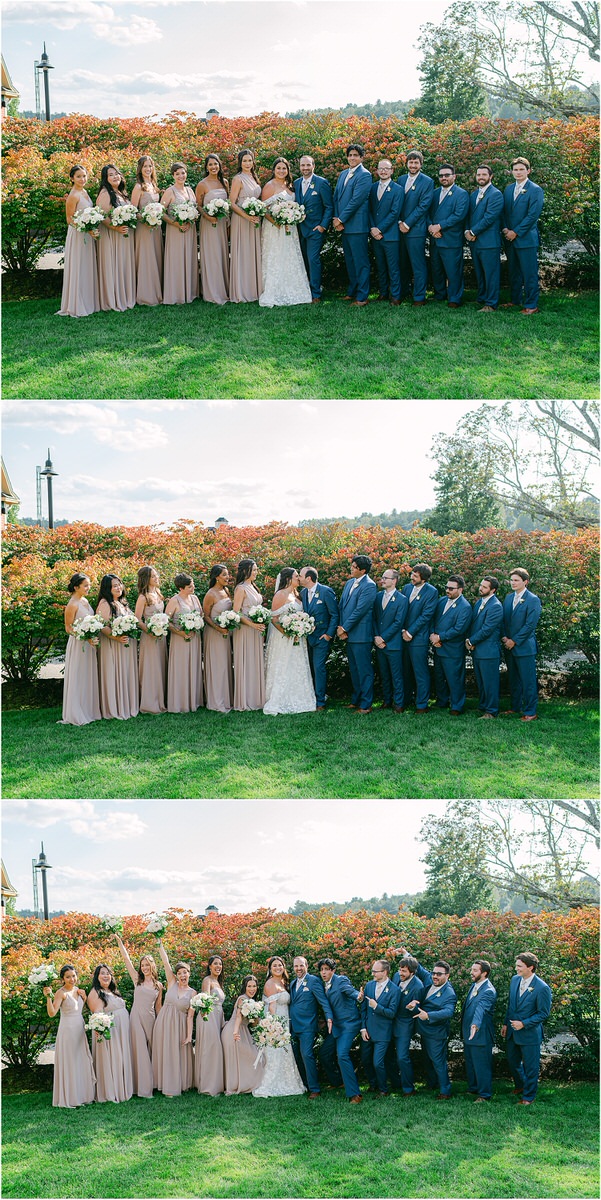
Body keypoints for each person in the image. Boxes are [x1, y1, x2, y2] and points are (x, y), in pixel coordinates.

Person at [114, 933, 163, 1098]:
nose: (144, 968)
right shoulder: (137, 980)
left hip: (151, 1019)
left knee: (151, 1052)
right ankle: (143, 1089)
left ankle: (154, 1083)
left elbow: (158, 1007)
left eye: (147, 965)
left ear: (152, 966)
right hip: (135, 1018)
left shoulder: (159, 985)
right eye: (142, 965)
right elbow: (127, 960)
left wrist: (161, 1023)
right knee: (140, 1051)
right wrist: (120, 942)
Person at [259, 157, 311, 307]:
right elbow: (264, 209)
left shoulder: (291, 185)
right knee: (276, 255)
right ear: (274, 170)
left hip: (290, 228)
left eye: (284, 168)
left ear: (288, 170)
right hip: (274, 228)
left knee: (290, 256)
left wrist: (292, 218)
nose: (281, 171)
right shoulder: (269, 186)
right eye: (278, 168)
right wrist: (278, 223)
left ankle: (294, 288)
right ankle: (275, 290)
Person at [501, 952, 552, 1105]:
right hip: (512, 1031)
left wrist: (524, 1023)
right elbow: (511, 1005)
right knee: (512, 1061)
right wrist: (505, 1023)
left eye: (519, 966)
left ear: (531, 967)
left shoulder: (542, 988)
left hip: (529, 1034)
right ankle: (521, 1086)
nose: (516, 969)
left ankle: (528, 1097)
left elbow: (543, 1013)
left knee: (531, 1067)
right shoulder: (515, 980)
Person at [264, 567, 315, 715]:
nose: (298, 578)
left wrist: (301, 629)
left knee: (297, 666)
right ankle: (280, 698)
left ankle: (300, 697)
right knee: (284, 666)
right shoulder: (280, 595)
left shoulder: (297, 594)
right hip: (284, 638)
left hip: (298, 638)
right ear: (287, 579)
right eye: (296, 576)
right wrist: (288, 633)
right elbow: (274, 619)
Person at [252, 956, 305, 1097]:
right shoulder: (270, 984)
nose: (277, 968)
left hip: (285, 1022)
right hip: (276, 1025)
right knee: (276, 1054)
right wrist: (275, 1028)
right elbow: (271, 1008)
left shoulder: (283, 982)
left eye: (280, 965)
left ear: (284, 967)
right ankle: (271, 1084)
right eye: (274, 966)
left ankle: (288, 1082)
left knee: (285, 1054)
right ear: (270, 969)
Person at [43, 965, 96, 1108]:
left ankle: (83, 1095)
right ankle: (71, 1097)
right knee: (70, 1061)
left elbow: (83, 1010)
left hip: (79, 1029)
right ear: (62, 979)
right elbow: (52, 1013)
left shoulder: (79, 990)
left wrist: (84, 998)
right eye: (68, 977)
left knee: (81, 1060)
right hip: (67, 1031)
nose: (71, 979)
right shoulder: (61, 993)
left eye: (73, 976)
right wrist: (48, 997)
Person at [406, 959, 457, 1099]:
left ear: (447, 976)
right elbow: (419, 969)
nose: (435, 976)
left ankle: (445, 1091)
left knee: (438, 1062)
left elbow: (448, 1012)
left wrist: (428, 1015)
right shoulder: (431, 980)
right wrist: (405, 954)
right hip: (424, 1031)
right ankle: (432, 1083)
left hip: (436, 1033)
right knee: (427, 1059)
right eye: (434, 973)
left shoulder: (449, 993)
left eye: (439, 974)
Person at [153, 941, 196, 1096]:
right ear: (176, 975)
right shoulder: (171, 983)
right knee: (165, 1052)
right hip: (164, 1023)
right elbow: (165, 962)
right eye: (179, 973)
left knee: (176, 1054)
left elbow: (190, 1016)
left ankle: (179, 1084)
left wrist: (189, 1036)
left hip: (180, 1026)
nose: (182, 975)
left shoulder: (193, 993)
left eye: (185, 972)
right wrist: (159, 942)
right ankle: (164, 1083)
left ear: (189, 974)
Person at [501, 157, 544, 314]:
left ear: (528, 171)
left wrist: (516, 232)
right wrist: (505, 229)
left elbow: (532, 216)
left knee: (529, 273)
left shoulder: (535, 190)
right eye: (515, 170)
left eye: (521, 169)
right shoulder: (508, 189)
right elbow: (504, 212)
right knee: (514, 272)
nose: (518, 172)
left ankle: (532, 305)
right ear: (512, 171)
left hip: (526, 239)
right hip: (509, 238)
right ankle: (515, 300)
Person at [317, 958, 363, 1103]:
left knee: (342, 1055)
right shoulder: (325, 985)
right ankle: (338, 1081)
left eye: (326, 969)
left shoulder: (341, 980)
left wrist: (358, 996)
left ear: (333, 970)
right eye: (321, 970)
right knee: (324, 1053)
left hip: (349, 1025)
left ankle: (355, 1094)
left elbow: (350, 992)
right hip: (336, 1026)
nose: (323, 972)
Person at [332, 143, 373, 306]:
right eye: (350, 155)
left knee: (360, 261)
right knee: (350, 260)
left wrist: (341, 219)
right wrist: (336, 218)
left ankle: (362, 297)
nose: (352, 158)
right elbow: (336, 197)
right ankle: (352, 291)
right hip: (343, 225)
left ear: (361, 158)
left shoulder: (365, 175)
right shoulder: (343, 174)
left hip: (357, 226)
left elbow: (357, 200)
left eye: (356, 155)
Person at [57, 164, 100, 318]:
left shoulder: (85, 192)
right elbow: (69, 219)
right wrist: (85, 228)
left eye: (84, 176)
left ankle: (88, 301)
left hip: (87, 234)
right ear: (72, 178)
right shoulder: (73, 195)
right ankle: (77, 304)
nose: (82, 179)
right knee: (79, 266)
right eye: (79, 176)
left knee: (86, 266)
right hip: (78, 235)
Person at [87, 963, 134, 1103]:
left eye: (108, 973)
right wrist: (101, 1030)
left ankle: (122, 1087)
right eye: (102, 973)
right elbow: (97, 1015)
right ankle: (111, 1091)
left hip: (121, 1032)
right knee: (113, 1058)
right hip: (109, 1033)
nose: (106, 975)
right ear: (97, 977)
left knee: (120, 1057)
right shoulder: (95, 992)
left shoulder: (112, 991)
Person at [337, 554, 377, 714]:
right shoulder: (349, 583)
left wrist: (344, 628)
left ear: (363, 570)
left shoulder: (369, 585)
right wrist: (341, 628)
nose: (351, 569)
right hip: (348, 634)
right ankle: (356, 700)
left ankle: (366, 705)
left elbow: (361, 610)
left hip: (361, 635)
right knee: (354, 669)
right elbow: (341, 606)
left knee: (364, 670)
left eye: (354, 567)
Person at [96, 573, 139, 720]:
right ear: (107, 588)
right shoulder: (104, 603)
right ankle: (114, 707)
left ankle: (126, 705)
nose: (118, 587)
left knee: (125, 673)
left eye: (119, 584)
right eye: (114, 585)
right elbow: (102, 626)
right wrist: (117, 637)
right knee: (114, 673)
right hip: (113, 645)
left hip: (125, 645)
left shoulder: (121, 602)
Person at [60, 572, 101, 726]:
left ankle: (88, 710)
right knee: (78, 676)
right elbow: (68, 627)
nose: (88, 587)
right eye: (85, 585)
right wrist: (84, 636)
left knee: (87, 676)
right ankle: (76, 713)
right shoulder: (72, 604)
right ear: (76, 587)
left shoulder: (84, 600)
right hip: (79, 644)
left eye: (89, 585)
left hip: (89, 644)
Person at [501, 568, 542, 721]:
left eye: (516, 580)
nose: (513, 583)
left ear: (525, 582)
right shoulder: (508, 598)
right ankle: (515, 707)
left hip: (524, 647)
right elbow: (504, 620)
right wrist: (505, 637)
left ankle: (531, 712)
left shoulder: (533, 599)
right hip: (509, 646)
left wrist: (515, 640)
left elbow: (530, 625)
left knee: (528, 681)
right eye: (511, 580)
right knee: (513, 679)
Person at [289, 955, 333, 1098]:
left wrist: (329, 1018)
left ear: (306, 966)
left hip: (308, 1026)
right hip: (294, 1027)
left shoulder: (313, 981)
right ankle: (305, 1085)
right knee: (296, 1056)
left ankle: (315, 1089)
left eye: (301, 965)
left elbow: (323, 1001)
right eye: (296, 966)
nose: (298, 968)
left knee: (307, 1055)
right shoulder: (292, 983)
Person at [428, 163, 470, 308]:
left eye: (447, 175)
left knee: (453, 271)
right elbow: (427, 213)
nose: (444, 178)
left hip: (451, 239)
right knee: (436, 268)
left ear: (454, 176)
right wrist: (431, 227)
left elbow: (458, 215)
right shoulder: (433, 193)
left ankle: (454, 298)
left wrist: (439, 226)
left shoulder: (461, 194)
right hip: (435, 238)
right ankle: (440, 295)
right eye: (441, 175)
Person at [429, 574, 472, 714]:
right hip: (438, 647)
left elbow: (459, 629)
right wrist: (432, 636)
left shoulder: (465, 607)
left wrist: (440, 637)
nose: (448, 590)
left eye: (451, 588)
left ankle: (457, 706)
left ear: (460, 590)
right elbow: (432, 620)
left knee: (454, 678)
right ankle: (442, 701)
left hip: (452, 649)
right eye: (447, 587)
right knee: (439, 676)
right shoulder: (441, 601)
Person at [96, 163, 136, 312]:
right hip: (112, 235)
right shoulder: (105, 193)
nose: (115, 177)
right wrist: (116, 227)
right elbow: (102, 216)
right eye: (111, 175)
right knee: (114, 265)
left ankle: (124, 296)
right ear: (106, 179)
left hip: (123, 235)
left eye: (116, 173)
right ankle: (113, 299)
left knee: (123, 264)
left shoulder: (120, 192)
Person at [293, 154, 333, 301]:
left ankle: (315, 293)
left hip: (315, 230)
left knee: (313, 259)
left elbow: (329, 207)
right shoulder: (296, 183)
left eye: (308, 165)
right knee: (302, 260)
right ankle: (304, 290)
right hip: (299, 229)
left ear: (313, 166)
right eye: (303, 165)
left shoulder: (322, 183)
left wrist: (323, 226)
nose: (305, 168)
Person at [397, 150, 434, 306]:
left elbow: (423, 206)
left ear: (421, 164)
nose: (413, 165)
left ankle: (419, 297)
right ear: (406, 164)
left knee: (417, 264)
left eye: (416, 162)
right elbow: (396, 202)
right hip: (399, 229)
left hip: (416, 229)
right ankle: (403, 291)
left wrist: (407, 224)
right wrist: (400, 222)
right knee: (402, 263)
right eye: (410, 162)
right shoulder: (400, 179)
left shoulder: (427, 181)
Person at [465, 165, 504, 312]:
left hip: (489, 242)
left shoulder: (495, 194)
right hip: (475, 242)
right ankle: (481, 298)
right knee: (480, 272)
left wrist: (473, 232)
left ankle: (491, 303)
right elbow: (469, 216)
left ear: (491, 176)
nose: (481, 177)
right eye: (478, 174)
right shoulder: (474, 194)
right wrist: (467, 231)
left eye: (484, 175)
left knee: (491, 273)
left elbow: (489, 217)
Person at [299, 566, 339, 710]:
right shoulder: (303, 593)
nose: (298, 577)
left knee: (319, 667)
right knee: (308, 668)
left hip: (322, 638)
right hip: (307, 638)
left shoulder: (326, 591)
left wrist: (328, 635)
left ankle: (320, 701)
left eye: (301, 575)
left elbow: (334, 614)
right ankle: (310, 697)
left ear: (309, 578)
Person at [401, 563, 438, 713]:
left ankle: (422, 704)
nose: (412, 577)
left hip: (419, 638)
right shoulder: (407, 588)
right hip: (403, 636)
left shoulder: (431, 592)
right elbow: (401, 609)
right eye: (412, 574)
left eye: (415, 576)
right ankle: (405, 700)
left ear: (423, 579)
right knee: (405, 671)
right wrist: (403, 630)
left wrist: (410, 632)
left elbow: (426, 615)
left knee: (420, 672)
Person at [360, 959, 400, 1096]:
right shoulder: (369, 986)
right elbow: (364, 1009)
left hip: (383, 1033)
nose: (373, 974)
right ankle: (373, 1084)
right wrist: (363, 1028)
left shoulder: (395, 990)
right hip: (368, 1031)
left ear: (385, 972)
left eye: (375, 971)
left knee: (378, 1062)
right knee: (365, 1059)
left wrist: (377, 1007)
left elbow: (392, 1013)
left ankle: (384, 1089)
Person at [466, 576, 504, 719]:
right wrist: (471, 641)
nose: (481, 588)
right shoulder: (479, 603)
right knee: (481, 681)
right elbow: (474, 625)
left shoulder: (495, 606)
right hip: (477, 649)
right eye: (481, 585)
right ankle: (482, 706)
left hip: (489, 651)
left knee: (490, 682)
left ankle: (491, 711)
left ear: (493, 590)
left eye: (485, 587)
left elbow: (487, 629)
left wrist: (471, 641)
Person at [161, 162, 199, 305]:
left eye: (183, 173)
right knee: (177, 259)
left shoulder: (190, 190)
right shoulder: (170, 191)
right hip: (176, 230)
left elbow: (195, 208)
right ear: (173, 176)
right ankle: (176, 294)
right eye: (177, 174)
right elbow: (161, 211)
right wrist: (175, 223)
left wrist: (193, 217)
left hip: (189, 229)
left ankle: (190, 292)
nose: (181, 176)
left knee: (188, 258)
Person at [165, 572, 203, 713]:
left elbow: (201, 615)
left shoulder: (195, 598)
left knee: (193, 666)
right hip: (180, 639)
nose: (192, 587)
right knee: (181, 668)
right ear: (180, 588)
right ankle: (180, 702)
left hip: (194, 638)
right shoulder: (174, 601)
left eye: (192, 584)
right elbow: (166, 621)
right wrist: (181, 633)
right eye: (189, 586)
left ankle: (194, 700)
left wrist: (197, 624)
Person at [221, 974, 266, 1095]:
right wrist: (235, 1032)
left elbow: (253, 1024)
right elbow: (239, 1017)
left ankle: (246, 1084)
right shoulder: (242, 999)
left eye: (254, 986)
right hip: (234, 1031)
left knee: (252, 1057)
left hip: (243, 1031)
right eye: (249, 986)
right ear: (245, 987)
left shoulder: (253, 1002)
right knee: (243, 1058)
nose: (252, 989)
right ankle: (234, 1086)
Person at [232, 559, 266, 711]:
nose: (256, 572)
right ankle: (245, 699)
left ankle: (257, 698)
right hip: (245, 630)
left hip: (256, 629)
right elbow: (236, 613)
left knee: (255, 661)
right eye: (254, 570)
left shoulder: (253, 586)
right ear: (246, 571)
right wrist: (252, 624)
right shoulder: (240, 588)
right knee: (246, 661)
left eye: (257, 570)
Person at [196, 153, 230, 305]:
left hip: (222, 223)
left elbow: (228, 202)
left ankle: (224, 289)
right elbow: (198, 205)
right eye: (210, 165)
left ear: (219, 165)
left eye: (215, 164)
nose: (213, 167)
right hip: (209, 224)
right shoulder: (202, 184)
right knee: (211, 255)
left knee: (222, 254)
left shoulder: (225, 182)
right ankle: (211, 292)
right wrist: (208, 217)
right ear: (206, 167)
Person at [229, 149, 262, 303]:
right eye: (245, 161)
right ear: (240, 163)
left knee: (253, 252)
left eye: (250, 160)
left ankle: (254, 289)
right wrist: (247, 216)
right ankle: (242, 291)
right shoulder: (238, 179)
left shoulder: (254, 177)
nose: (248, 163)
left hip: (254, 219)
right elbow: (232, 203)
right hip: (242, 220)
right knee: (243, 253)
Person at [373, 568, 408, 711]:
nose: (382, 580)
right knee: (384, 674)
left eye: (385, 578)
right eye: (382, 577)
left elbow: (398, 623)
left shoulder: (402, 599)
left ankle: (398, 703)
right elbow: (374, 619)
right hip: (379, 643)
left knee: (396, 675)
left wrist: (383, 638)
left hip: (393, 644)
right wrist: (376, 637)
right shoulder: (377, 597)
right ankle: (386, 700)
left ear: (394, 581)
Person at [461, 959, 497, 1102]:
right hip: (469, 1034)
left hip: (480, 1034)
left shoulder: (488, 990)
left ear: (484, 973)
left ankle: (484, 1094)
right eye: (472, 969)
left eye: (475, 970)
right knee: (471, 1063)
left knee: (481, 1065)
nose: (471, 972)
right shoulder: (475, 985)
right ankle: (473, 1088)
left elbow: (481, 1009)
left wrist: (475, 1024)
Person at [368, 159, 403, 304]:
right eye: (380, 168)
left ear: (392, 170)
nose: (383, 171)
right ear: (377, 171)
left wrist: (380, 229)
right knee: (380, 266)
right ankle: (383, 292)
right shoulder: (372, 187)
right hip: (375, 235)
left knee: (393, 267)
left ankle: (395, 295)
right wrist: (372, 228)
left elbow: (395, 213)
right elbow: (368, 210)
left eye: (386, 169)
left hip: (390, 235)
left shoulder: (398, 189)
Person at [191, 954, 225, 1096]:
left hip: (218, 1017)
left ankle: (216, 1083)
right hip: (208, 1016)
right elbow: (205, 999)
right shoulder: (207, 980)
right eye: (215, 964)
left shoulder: (218, 982)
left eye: (220, 964)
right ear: (210, 966)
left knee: (215, 1049)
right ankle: (207, 1086)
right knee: (210, 1048)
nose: (218, 966)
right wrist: (206, 1015)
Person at [135, 565, 167, 714]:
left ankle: (161, 700)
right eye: (153, 576)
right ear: (146, 579)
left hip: (161, 637)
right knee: (151, 668)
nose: (157, 578)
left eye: (156, 575)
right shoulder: (143, 597)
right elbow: (137, 620)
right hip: (149, 637)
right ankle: (150, 703)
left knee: (160, 666)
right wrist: (151, 631)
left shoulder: (158, 594)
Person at [390, 953, 423, 1096]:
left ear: (412, 972)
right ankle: (395, 1083)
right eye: (400, 970)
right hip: (389, 1021)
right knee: (388, 1055)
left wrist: (413, 1007)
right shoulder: (396, 977)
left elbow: (419, 1009)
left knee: (402, 1057)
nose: (400, 973)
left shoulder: (418, 986)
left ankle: (409, 1089)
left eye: (404, 971)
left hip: (405, 1023)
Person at [202, 564, 234, 713]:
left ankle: (226, 698)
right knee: (217, 665)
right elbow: (206, 616)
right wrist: (218, 628)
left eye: (227, 575)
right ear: (216, 577)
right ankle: (216, 701)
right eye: (224, 575)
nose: (227, 577)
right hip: (215, 633)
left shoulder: (226, 591)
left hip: (225, 633)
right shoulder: (211, 594)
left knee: (225, 664)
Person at [132, 154, 163, 306]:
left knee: (156, 256)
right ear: (140, 169)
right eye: (145, 166)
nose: (148, 169)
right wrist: (145, 219)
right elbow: (132, 210)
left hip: (155, 227)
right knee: (146, 258)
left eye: (150, 166)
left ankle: (157, 292)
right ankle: (146, 295)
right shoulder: (138, 187)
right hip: (144, 227)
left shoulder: (154, 185)